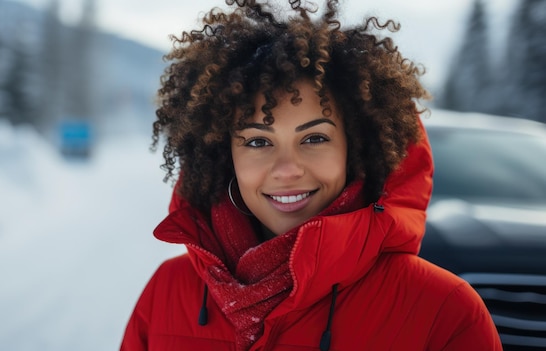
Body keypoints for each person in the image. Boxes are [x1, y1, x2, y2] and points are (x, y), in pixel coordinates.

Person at [120, 0, 502, 350]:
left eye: (314, 138)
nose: (287, 169)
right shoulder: (166, 291)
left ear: (354, 149)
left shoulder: (442, 310)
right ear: (225, 155)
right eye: (257, 142)